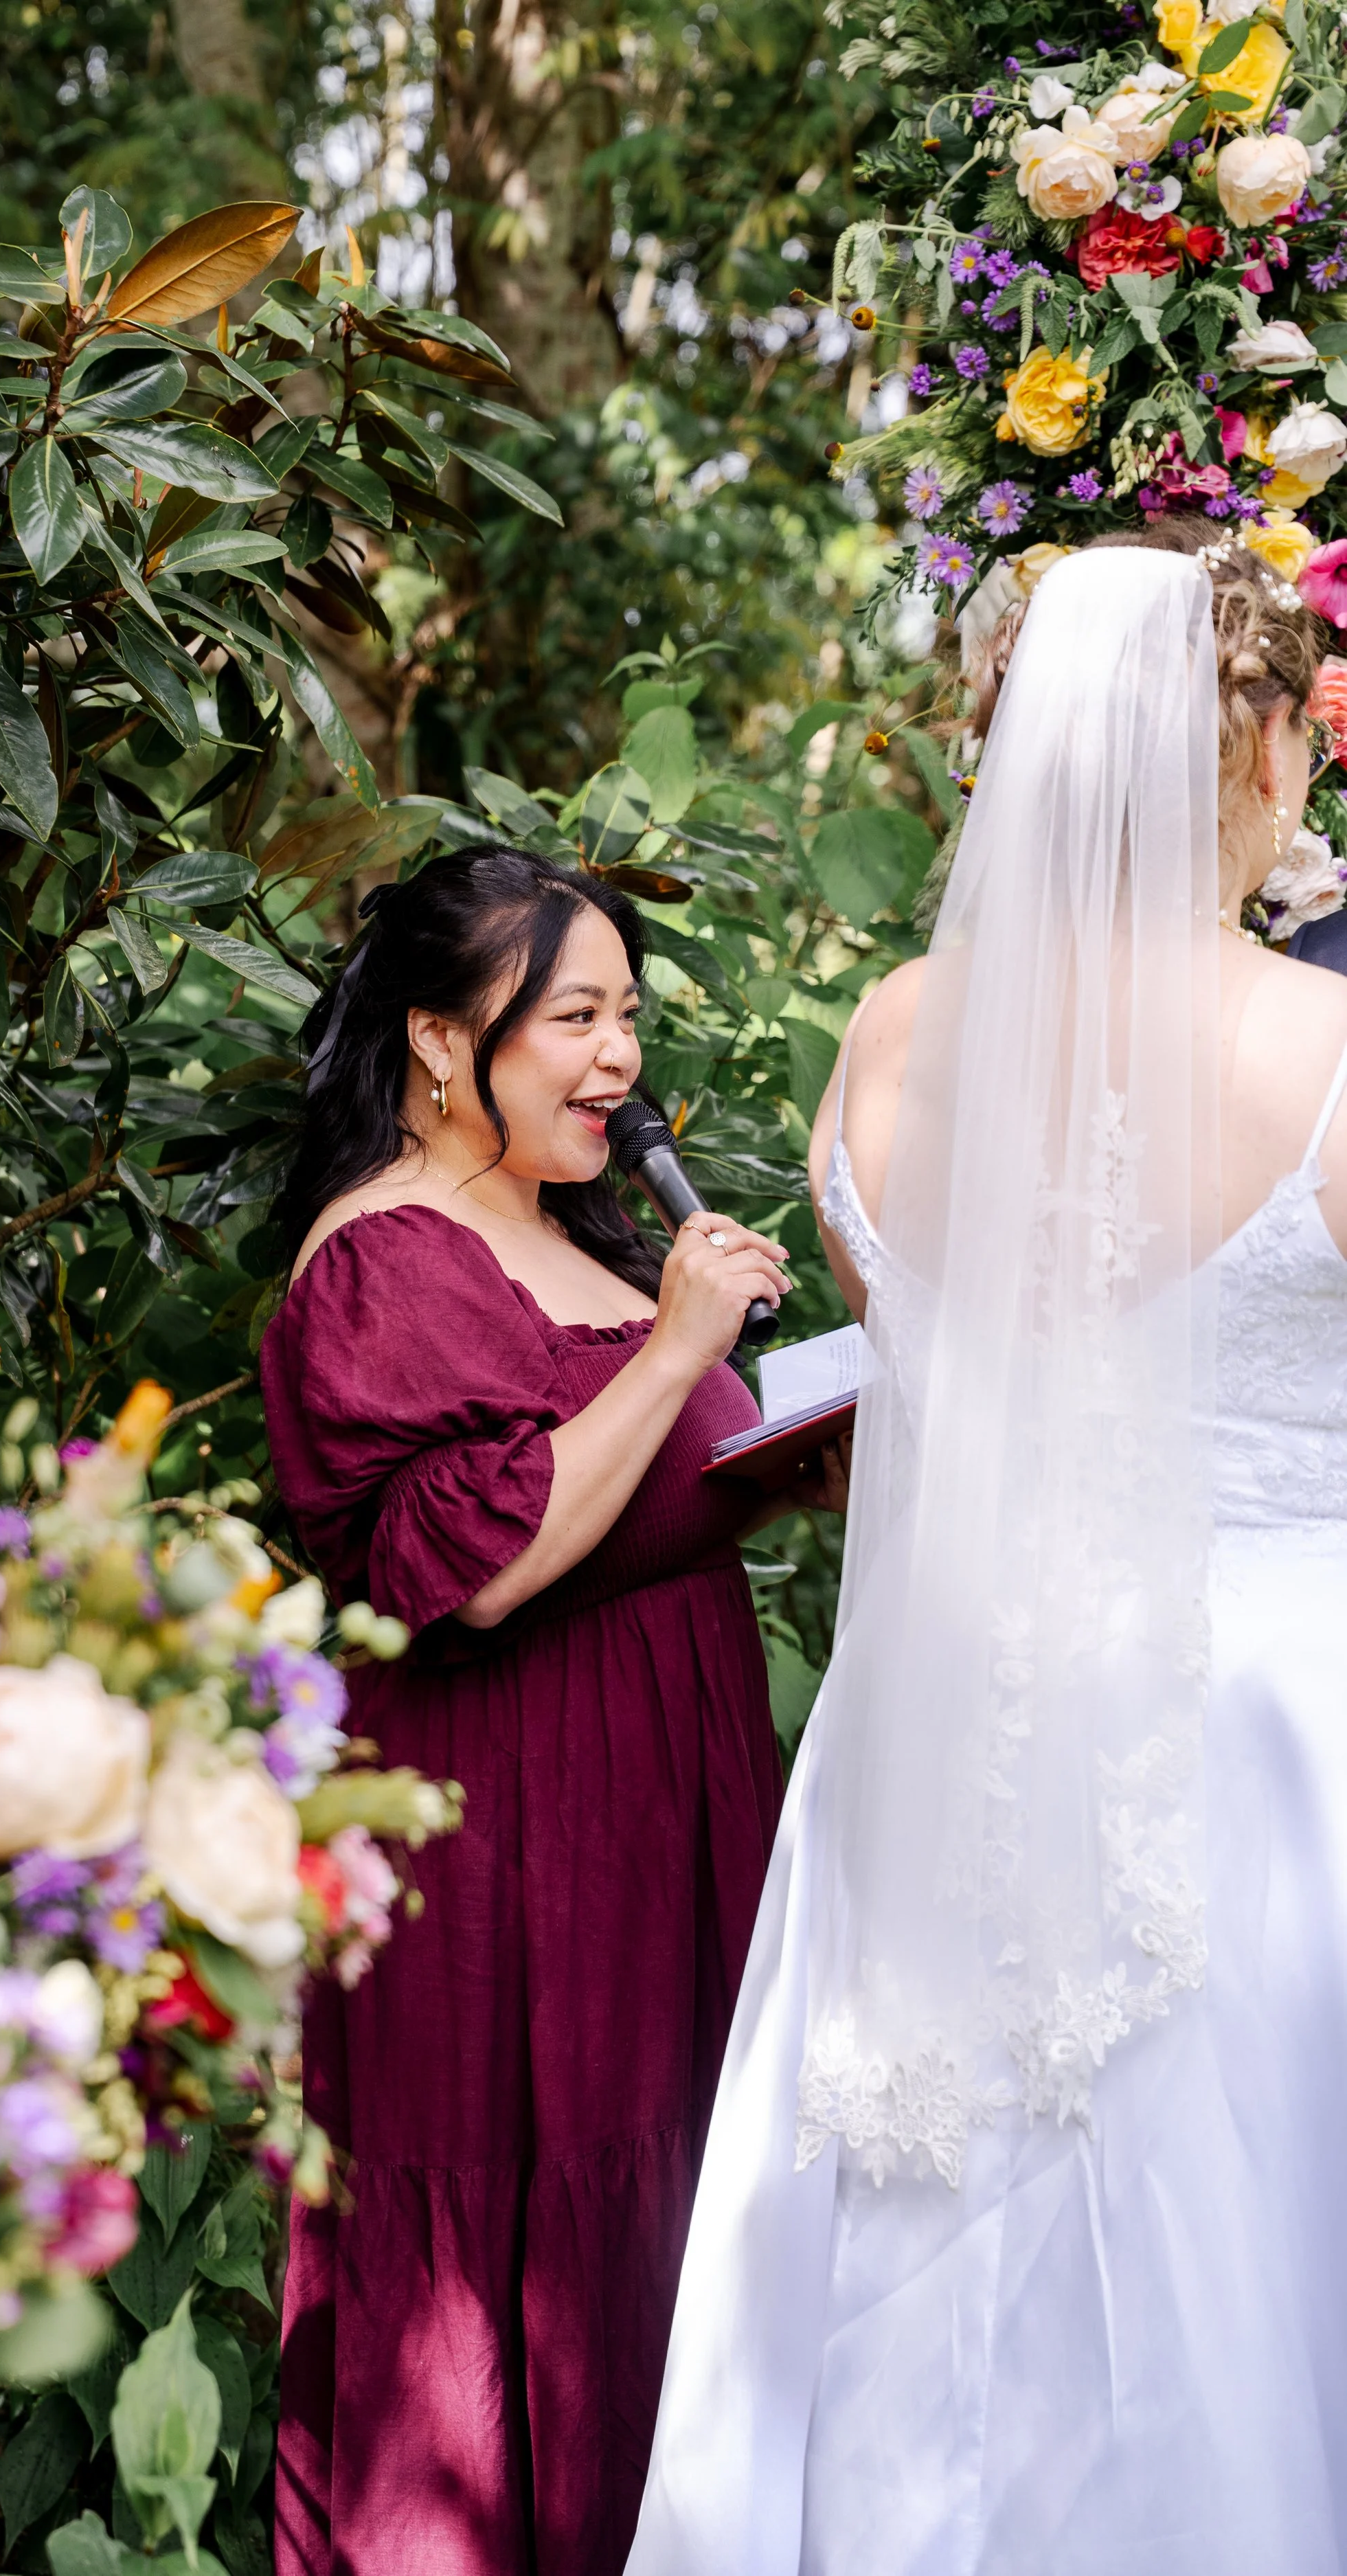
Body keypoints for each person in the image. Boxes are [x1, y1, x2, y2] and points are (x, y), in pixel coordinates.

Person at [627, 528, 1347, 2576]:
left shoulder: (895, 1033)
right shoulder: (1325, 1056)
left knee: (919, 2215)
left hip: (937, 1730)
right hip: (1268, 1737)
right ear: (1268, 756)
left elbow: (923, 1349)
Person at [260, 844, 833, 2576]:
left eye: (628, 1018)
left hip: (668, 1807)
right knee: (516, 2236)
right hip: (508, 1839)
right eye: (571, 1016)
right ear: (441, 1042)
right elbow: (471, 1567)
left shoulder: (568, 1229)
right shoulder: (378, 1259)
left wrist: (789, 1450)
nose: (617, 1061)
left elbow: (640, 1496)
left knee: (665, 2245)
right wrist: (675, 1352)